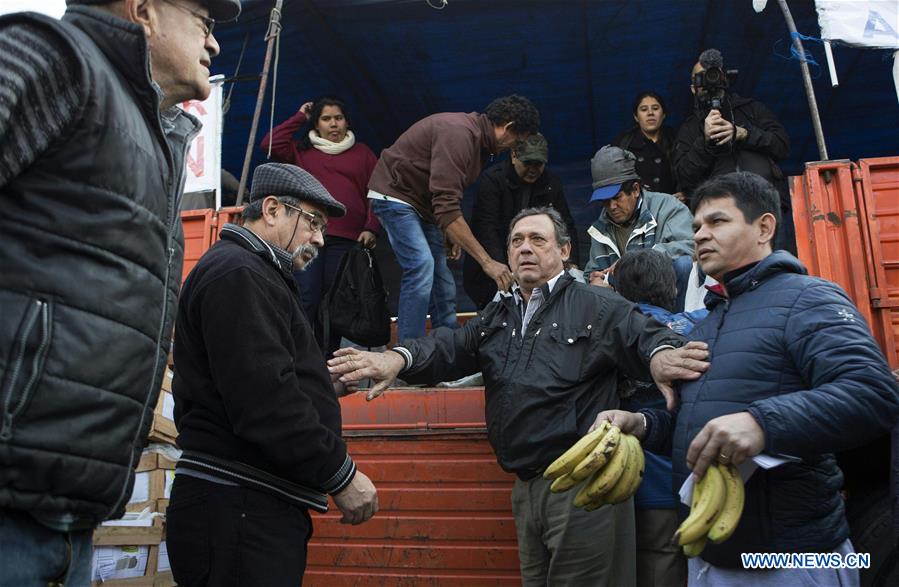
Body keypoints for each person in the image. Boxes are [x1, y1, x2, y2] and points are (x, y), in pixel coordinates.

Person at [328, 206, 711, 585]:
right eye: (516, 241)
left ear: (564, 251)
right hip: (526, 488)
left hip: (584, 486)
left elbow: (645, 334)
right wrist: (397, 359)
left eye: (537, 239)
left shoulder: (597, 304)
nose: (524, 248)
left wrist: (660, 356)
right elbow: (452, 347)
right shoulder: (501, 314)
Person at [0, 0, 239, 584]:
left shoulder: (153, 135)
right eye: (206, 24)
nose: (213, 46)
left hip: (67, 523)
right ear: (144, 12)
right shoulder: (57, 57)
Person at [595, 172, 899, 586]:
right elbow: (701, 425)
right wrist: (643, 425)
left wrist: (762, 424)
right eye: (697, 225)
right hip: (708, 556)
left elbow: (874, 394)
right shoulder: (708, 322)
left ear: (764, 227)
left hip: (790, 561)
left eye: (717, 222)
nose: (701, 234)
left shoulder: (809, 297)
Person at [167, 163, 379, 586]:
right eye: (313, 222)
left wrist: (322, 386)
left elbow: (259, 378)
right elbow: (264, 400)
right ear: (271, 209)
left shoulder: (256, 274)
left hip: (247, 507)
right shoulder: (240, 273)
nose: (320, 238)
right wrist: (340, 473)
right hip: (237, 508)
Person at [367, 95, 540, 340]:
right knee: (421, 265)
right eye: (515, 142)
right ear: (508, 127)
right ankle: (408, 353)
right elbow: (446, 205)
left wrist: (449, 229)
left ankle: (446, 348)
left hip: (423, 206)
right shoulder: (459, 134)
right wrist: (487, 262)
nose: (510, 149)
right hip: (395, 195)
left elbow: (448, 200)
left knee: (443, 278)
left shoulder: (479, 146)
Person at [613, 249, 709, 587]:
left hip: (643, 490)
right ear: (672, 289)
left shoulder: (614, 333)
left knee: (657, 568)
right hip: (702, 484)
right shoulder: (702, 325)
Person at [260, 97, 379, 350]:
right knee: (306, 296)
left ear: (347, 121)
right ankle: (300, 355)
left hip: (348, 240)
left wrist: (371, 227)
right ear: (317, 123)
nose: (333, 124)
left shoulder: (363, 154)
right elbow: (269, 143)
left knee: (336, 302)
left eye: (338, 118)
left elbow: (377, 194)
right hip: (307, 234)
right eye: (326, 119)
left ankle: (327, 363)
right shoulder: (302, 152)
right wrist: (299, 117)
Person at [673, 48, 795, 253]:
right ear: (693, 87)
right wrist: (705, 142)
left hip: (767, 206)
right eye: (701, 78)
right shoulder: (689, 128)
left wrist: (743, 134)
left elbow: (782, 146)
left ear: (725, 77)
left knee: (779, 266)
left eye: (713, 74)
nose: (709, 82)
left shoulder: (752, 109)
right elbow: (684, 176)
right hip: (721, 216)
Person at [464, 133, 580, 309]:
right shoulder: (492, 181)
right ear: (513, 156)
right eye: (528, 163)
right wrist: (505, 270)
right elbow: (486, 229)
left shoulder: (551, 182)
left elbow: (565, 225)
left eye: (538, 164)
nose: (533, 169)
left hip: (538, 267)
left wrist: (571, 263)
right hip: (493, 269)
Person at [583, 146, 694, 309]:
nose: (611, 206)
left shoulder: (668, 207)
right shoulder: (601, 227)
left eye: (616, 197)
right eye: (605, 201)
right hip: (624, 310)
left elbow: (692, 245)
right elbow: (591, 271)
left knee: (683, 264)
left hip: (668, 303)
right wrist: (594, 280)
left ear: (635, 189)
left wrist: (640, 260)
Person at [612, 91, 680, 199]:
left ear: (663, 115)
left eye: (655, 108)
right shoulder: (623, 144)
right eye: (644, 109)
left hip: (672, 206)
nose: (650, 113)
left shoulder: (677, 139)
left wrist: (684, 193)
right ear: (636, 117)